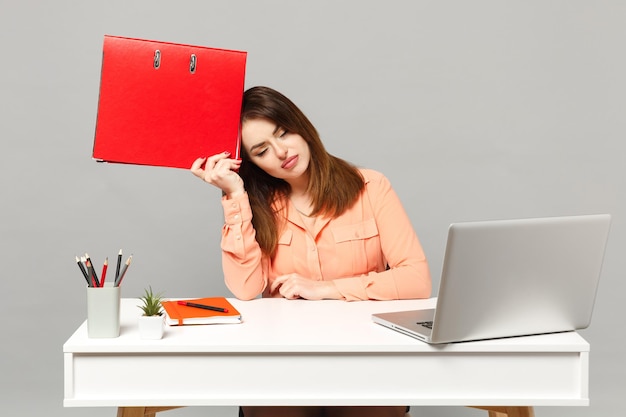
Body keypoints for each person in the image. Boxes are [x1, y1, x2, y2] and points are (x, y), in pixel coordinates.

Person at [191, 86, 431, 417]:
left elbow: (417, 280)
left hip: (367, 356)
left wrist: (326, 289)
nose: (280, 151)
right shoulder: (257, 207)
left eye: (283, 133)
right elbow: (246, 289)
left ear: (300, 125)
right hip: (284, 359)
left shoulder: (371, 187)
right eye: (261, 150)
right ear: (252, 163)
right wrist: (234, 195)